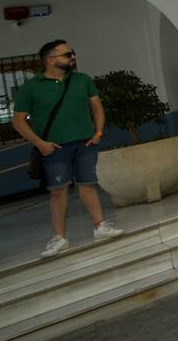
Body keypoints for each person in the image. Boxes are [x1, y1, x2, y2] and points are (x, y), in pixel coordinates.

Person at [11, 39, 122, 258]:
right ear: (51, 60)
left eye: (73, 53)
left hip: (85, 143)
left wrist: (98, 133)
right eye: (68, 54)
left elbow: (97, 107)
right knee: (58, 190)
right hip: (54, 147)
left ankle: (100, 226)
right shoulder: (32, 87)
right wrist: (40, 143)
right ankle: (60, 238)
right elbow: (18, 121)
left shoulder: (82, 80)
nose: (73, 57)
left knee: (88, 184)